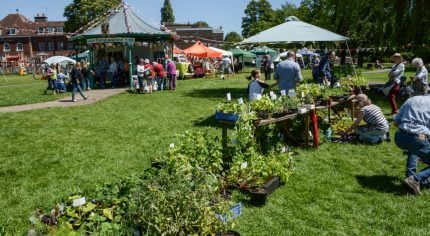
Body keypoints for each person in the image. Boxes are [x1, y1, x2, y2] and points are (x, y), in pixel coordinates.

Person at [394, 96, 430, 195]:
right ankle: (415, 179)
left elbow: (396, 122)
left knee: (415, 148)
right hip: (418, 138)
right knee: (417, 143)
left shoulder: (412, 99)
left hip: (399, 137)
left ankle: (410, 177)